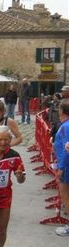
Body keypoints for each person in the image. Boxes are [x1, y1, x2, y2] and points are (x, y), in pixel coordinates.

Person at [53, 100, 69, 236]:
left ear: (62, 111)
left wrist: (61, 168)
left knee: (66, 196)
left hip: (67, 166)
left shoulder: (66, 127)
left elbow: (67, 149)